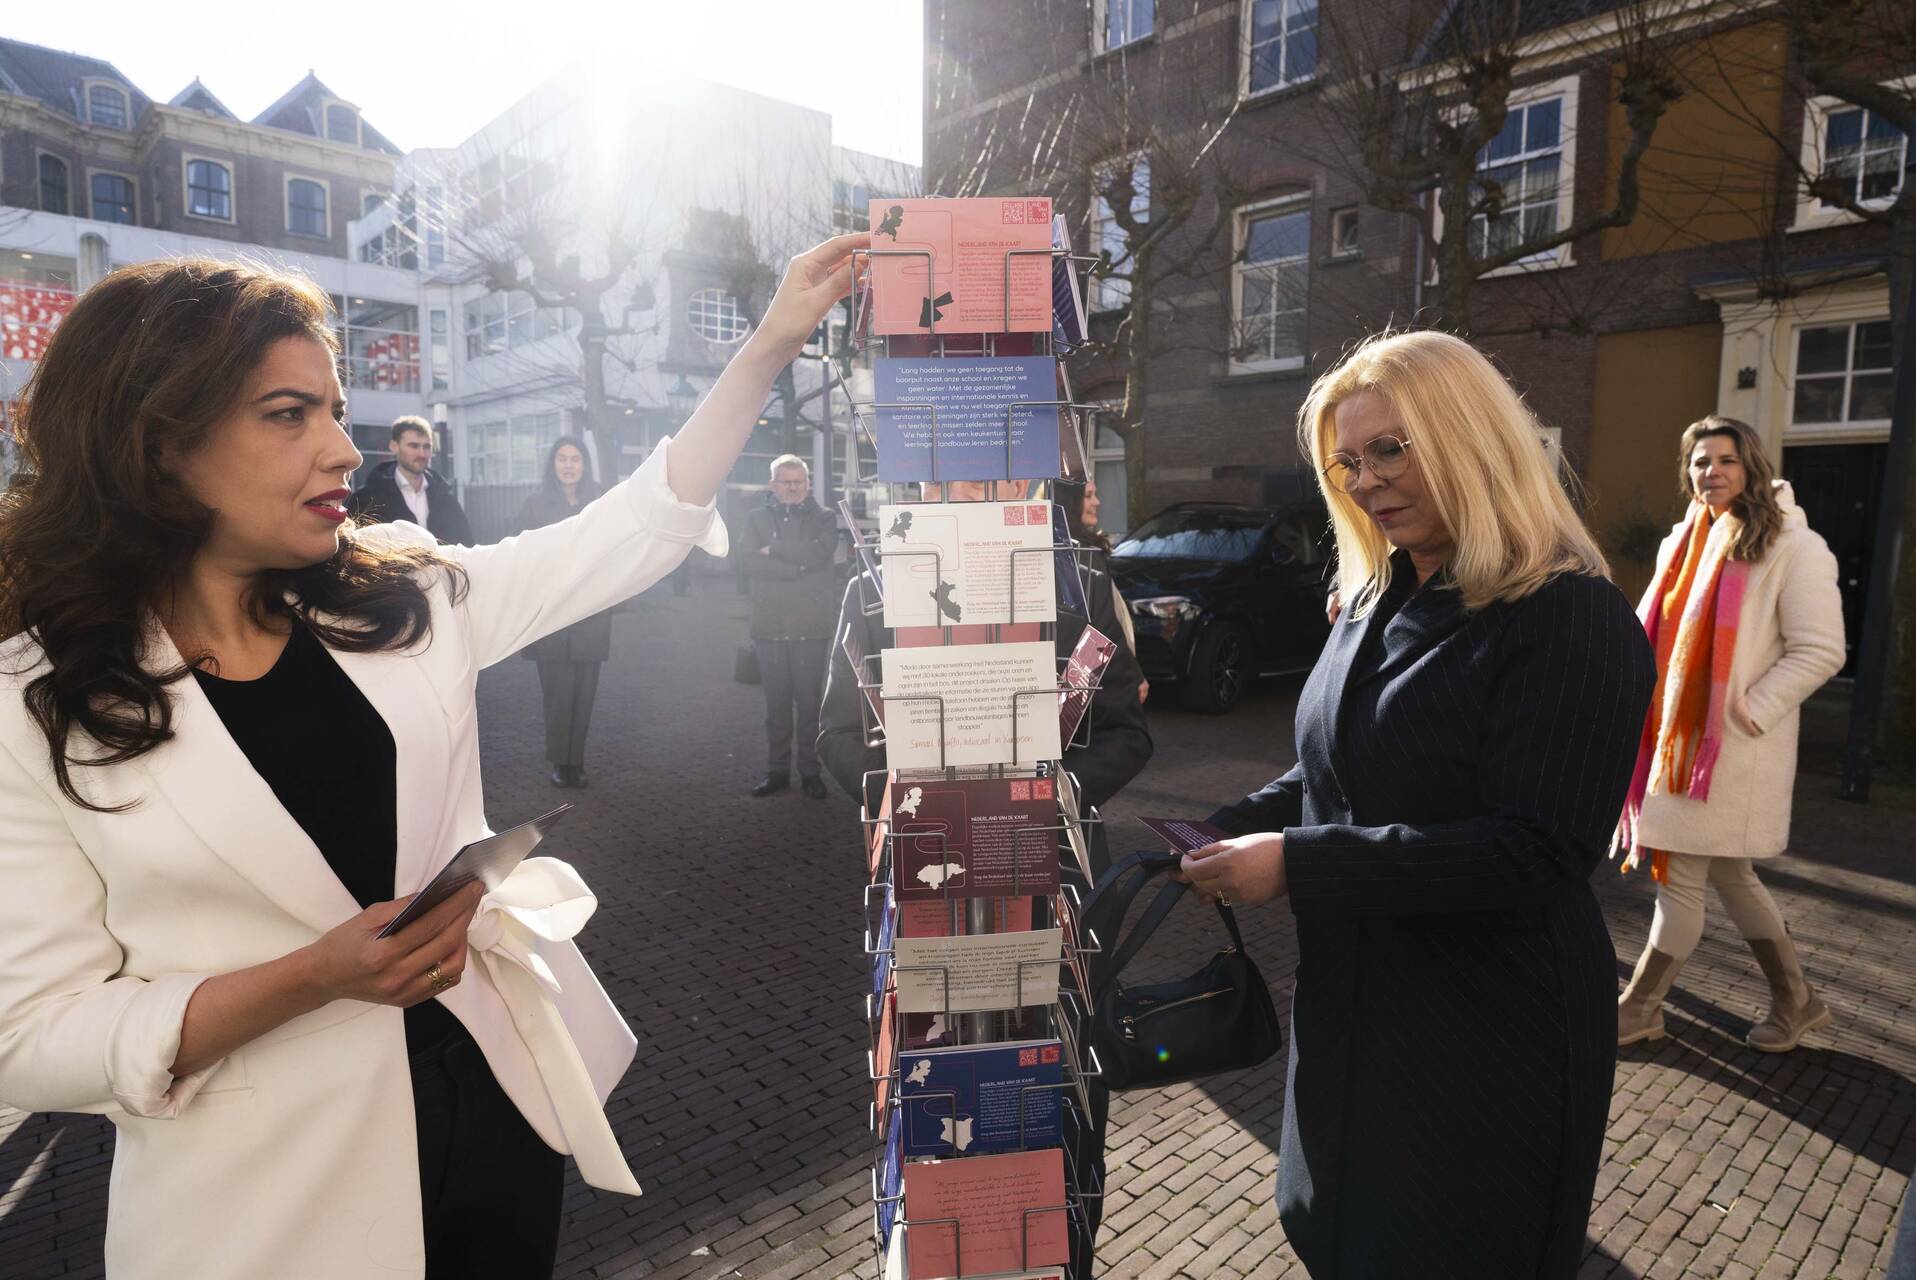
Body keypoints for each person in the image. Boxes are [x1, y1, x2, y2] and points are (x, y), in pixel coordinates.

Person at [0, 236, 864, 1279]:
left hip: (492, 1120)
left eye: (334, 407)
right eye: (289, 415)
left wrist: (770, 343)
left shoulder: (401, 591)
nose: (343, 449)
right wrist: (308, 978)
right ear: (155, 445)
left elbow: (633, 528)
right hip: (267, 1210)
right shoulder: (34, 694)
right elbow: (31, 1031)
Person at [1178, 331, 1655, 1277]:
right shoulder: (1374, 599)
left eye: (1392, 448)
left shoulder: (1567, 615)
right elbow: (1335, 774)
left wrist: (1298, 863)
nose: (1366, 481)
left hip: (1488, 1037)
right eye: (1347, 462)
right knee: (1332, 1230)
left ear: (1474, 438)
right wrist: (1217, 832)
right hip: (1356, 1010)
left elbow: (1538, 850)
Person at [816, 479, 1152, 1280]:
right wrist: (919, 808)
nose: (972, 485)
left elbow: (1127, 733)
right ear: (917, 478)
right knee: (932, 1094)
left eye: (996, 471)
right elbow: (838, 737)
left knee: (1062, 1097)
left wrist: (1040, 805)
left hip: (1055, 882)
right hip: (932, 890)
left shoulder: (1080, 581)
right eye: (949, 471)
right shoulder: (875, 584)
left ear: (1028, 477)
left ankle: (1065, 1260)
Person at [1614, 416, 1846, 1052]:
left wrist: (1752, 709)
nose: (1708, 471)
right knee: (1733, 878)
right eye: (1698, 461)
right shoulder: (1680, 545)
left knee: (1682, 879)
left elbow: (1821, 650)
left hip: (1728, 753)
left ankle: (1640, 1007)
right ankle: (1798, 1000)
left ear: (1751, 468)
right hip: (1673, 746)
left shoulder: (1794, 547)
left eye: (1724, 460)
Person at [512, 436, 614, 789]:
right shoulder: (535, 505)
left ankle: (577, 762)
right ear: (552, 465)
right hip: (552, 615)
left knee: (584, 693)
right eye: (562, 459)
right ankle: (560, 762)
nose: (569, 465)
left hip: (590, 614)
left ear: (585, 464)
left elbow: (614, 551)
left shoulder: (602, 503)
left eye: (575, 459)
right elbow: (522, 557)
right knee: (557, 694)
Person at [743, 454, 839, 799]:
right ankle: (777, 771)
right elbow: (747, 562)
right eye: (786, 481)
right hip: (769, 626)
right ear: (773, 485)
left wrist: (776, 550)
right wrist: (794, 569)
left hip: (811, 626)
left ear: (808, 483)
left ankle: (811, 772)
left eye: (799, 481)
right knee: (777, 706)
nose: (794, 487)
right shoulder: (755, 519)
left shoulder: (825, 518)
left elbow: (821, 552)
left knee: (811, 704)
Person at [1057, 477, 1148, 703]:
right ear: (1069, 501)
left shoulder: (1058, 550)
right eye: (1088, 496)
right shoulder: (1086, 556)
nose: (1097, 502)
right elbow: (1104, 625)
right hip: (1095, 676)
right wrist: (1133, 676)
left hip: (1077, 675)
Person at [348, 415, 473, 545]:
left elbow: (467, 546)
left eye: (427, 446)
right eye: (414, 446)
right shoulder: (366, 500)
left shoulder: (447, 499)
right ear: (394, 446)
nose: (422, 454)